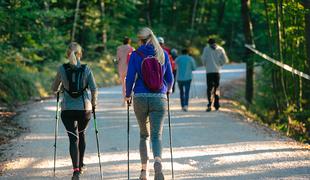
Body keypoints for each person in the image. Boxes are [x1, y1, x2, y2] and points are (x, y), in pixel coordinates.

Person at [125, 27, 174, 180]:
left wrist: (127, 95)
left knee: (143, 135)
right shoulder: (162, 54)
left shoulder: (135, 54)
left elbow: (130, 77)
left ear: (140, 39)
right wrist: (168, 90)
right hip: (159, 98)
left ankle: (143, 171)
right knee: (156, 135)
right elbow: (170, 78)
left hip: (140, 97)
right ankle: (158, 162)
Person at [52, 42, 97, 180]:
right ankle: (81, 164)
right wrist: (94, 104)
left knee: (73, 139)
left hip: (67, 109)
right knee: (81, 135)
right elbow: (94, 89)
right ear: (80, 54)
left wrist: (60, 90)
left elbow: (54, 88)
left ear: (67, 54)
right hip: (84, 108)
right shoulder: (86, 69)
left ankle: (76, 171)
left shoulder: (62, 69)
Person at [201, 38, 229, 112]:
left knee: (209, 88)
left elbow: (203, 59)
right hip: (217, 71)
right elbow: (225, 60)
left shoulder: (206, 49)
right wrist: (220, 64)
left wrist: (206, 64)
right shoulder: (220, 49)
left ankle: (209, 104)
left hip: (209, 71)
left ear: (209, 43)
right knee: (216, 88)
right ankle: (216, 104)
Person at [117, 36, 134, 105]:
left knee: (123, 85)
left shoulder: (119, 48)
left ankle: (124, 101)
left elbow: (118, 59)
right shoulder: (131, 49)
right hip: (129, 68)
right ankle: (130, 100)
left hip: (121, 68)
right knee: (130, 84)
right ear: (129, 41)